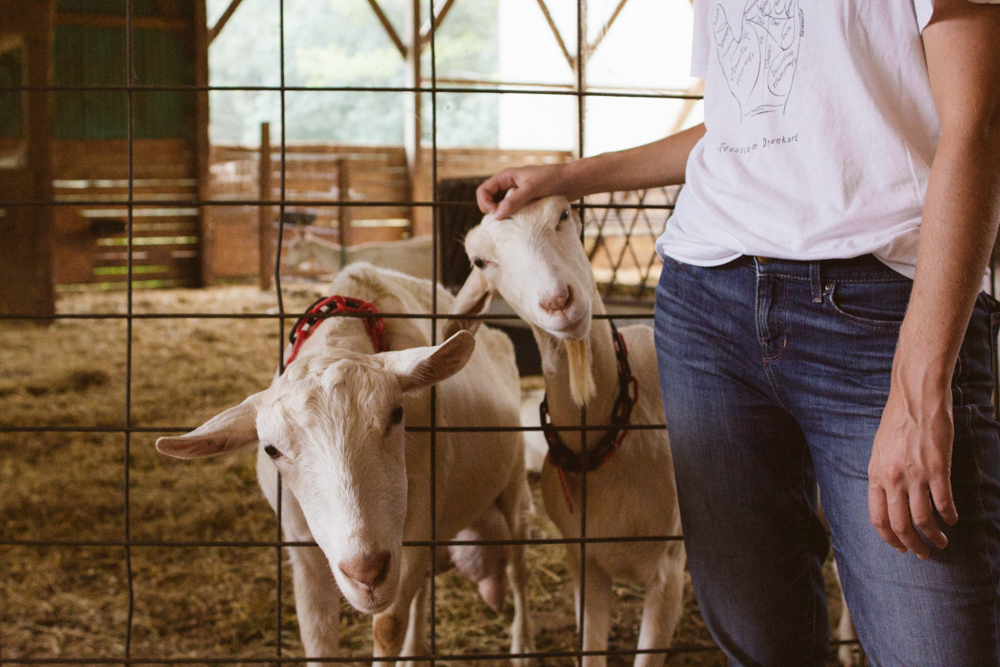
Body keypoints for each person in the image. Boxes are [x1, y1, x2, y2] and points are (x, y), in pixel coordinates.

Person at [475, 0, 1000, 664]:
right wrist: (569, 177)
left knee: (935, 645)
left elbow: (979, 123)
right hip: (706, 303)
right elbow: (740, 124)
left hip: (881, 306)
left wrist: (922, 392)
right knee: (760, 638)